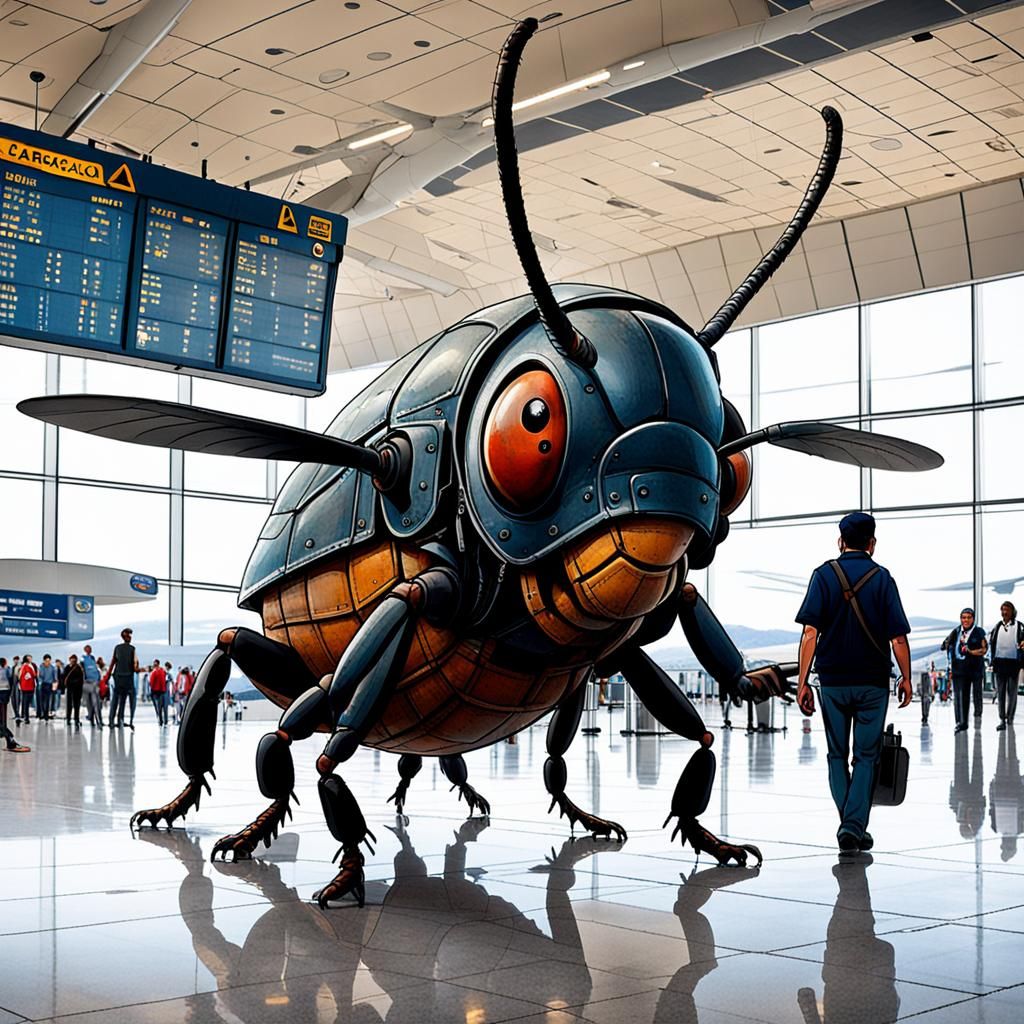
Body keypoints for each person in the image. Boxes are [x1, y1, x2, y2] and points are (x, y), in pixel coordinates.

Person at [795, 512, 912, 855]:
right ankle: (853, 825)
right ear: (872, 544)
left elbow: (809, 634)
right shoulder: (883, 578)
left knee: (836, 754)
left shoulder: (823, 576)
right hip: (873, 682)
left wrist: (803, 682)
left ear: (840, 541)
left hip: (831, 681)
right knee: (866, 756)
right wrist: (905, 677)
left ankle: (850, 824)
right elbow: (899, 639)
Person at [941, 609, 987, 732]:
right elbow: (945, 644)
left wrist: (971, 652)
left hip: (974, 670)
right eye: (963, 617)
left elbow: (984, 649)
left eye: (968, 617)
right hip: (958, 669)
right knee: (959, 697)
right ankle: (960, 722)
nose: (965, 620)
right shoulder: (956, 631)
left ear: (973, 619)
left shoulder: (979, 632)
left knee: (976, 694)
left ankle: (977, 717)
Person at [988, 601, 1023, 731]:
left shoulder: (1019, 626)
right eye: (1002, 609)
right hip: (999, 663)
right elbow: (992, 642)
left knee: (1012, 692)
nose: (1004, 612)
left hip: (1013, 663)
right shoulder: (997, 626)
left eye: (1007, 609)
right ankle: (1002, 718)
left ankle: (1010, 718)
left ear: (1012, 611)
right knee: (1000, 692)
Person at [107, 628, 139, 730]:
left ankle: (111, 721)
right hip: (127, 677)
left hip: (117, 677)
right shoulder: (132, 649)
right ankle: (120, 720)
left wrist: (108, 675)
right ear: (128, 638)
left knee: (115, 699)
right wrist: (142, 669)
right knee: (123, 700)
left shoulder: (117, 648)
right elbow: (134, 667)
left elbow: (113, 662)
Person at [0, 656, 29, 751]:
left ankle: (10, 740)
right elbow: (11, 681)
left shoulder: (7, 670)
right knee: (2, 721)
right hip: (4, 695)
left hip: (3, 695)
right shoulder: (6, 670)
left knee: (2, 722)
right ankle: (10, 739)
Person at [81, 644, 102, 728]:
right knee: (91, 702)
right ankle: (94, 719)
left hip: (94, 683)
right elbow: (83, 671)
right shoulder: (83, 659)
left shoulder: (92, 658)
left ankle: (96, 720)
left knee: (94, 702)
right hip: (87, 683)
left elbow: (96, 670)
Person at [62, 654, 85, 728]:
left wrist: (74, 682)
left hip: (77, 689)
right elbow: (64, 677)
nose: (73, 661)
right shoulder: (67, 668)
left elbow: (81, 679)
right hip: (70, 689)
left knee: (76, 705)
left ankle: (76, 719)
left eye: (74, 660)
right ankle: (68, 718)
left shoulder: (79, 668)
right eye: (72, 659)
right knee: (69, 705)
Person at [17, 654, 37, 725]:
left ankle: (25, 716)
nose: (30, 659)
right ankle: (26, 717)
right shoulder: (25, 666)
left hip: (29, 686)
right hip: (26, 687)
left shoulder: (31, 665)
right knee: (26, 703)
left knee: (26, 702)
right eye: (29, 658)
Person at [147, 658, 168, 726]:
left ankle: (160, 720)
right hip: (162, 691)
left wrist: (151, 690)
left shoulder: (154, 672)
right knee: (162, 706)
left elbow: (151, 682)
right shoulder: (162, 671)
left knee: (158, 707)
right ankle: (164, 720)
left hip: (155, 692)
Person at [37, 654, 57, 721]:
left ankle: (47, 714)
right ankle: (43, 713)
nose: (47, 662)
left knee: (48, 700)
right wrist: (40, 682)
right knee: (42, 700)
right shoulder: (41, 667)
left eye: (49, 661)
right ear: (44, 660)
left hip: (49, 685)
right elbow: (40, 676)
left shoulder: (52, 667)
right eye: (46, 661)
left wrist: (54, 685)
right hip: (43, 684)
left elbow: (55, 677)